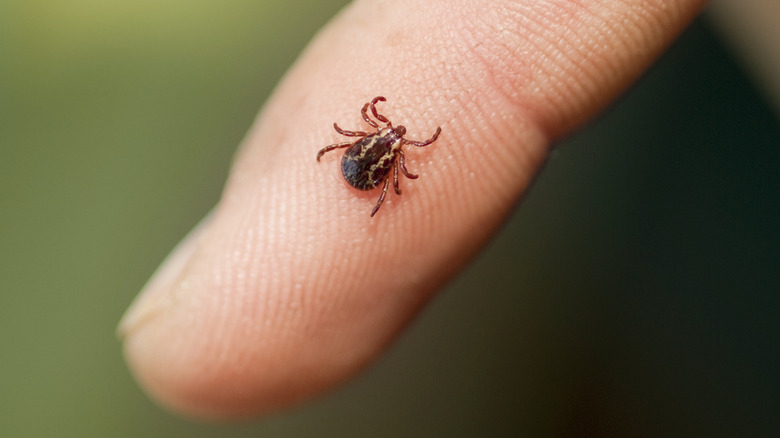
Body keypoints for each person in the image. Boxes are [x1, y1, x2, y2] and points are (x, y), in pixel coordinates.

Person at [118, 0, 708, 419]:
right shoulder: (386, 150)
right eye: (390, 135)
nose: (392, 139)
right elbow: (371, 154)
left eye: (394, 138)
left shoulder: (383, 149)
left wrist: (374, 167)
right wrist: (381, 175)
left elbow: (361, 149)